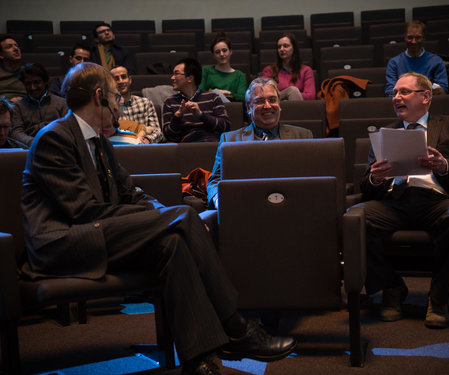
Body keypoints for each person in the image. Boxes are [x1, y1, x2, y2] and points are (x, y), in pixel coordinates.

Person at [21, 62, 296, 375]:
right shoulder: (53, 139)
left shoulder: (98, 141)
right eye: (115, 97)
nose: (118, 104)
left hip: (98, 232)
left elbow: (132, 193)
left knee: (173, 244)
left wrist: (162, 215)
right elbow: (83, 211)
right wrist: (166, 216)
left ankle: (198, 360)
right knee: (182, 217)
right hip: (62, 243)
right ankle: (236, 327)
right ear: (100, 96)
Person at [354, 72, 449, 329]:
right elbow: (366, 184)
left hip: (436, 200)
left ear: (425, 97)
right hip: (395, 200)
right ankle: (392, 288)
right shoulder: (385, 134)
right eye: (394, 93)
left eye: (403, 92)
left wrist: (443, 165)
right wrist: (377, 178)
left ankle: (439, 299)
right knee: (355, 218)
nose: (396, 97)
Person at [207, 77, 314, 209]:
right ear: (248, 108)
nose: (268, 106)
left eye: (272, 100)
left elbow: (313, 179)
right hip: (246, 206)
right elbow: (215, 180)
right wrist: (219, 200)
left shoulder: (303, 136)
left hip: (293, 207)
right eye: (259, 101)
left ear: (279, 106)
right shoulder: (229, 140)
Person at [163, 58, 230, 142]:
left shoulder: (213, 97)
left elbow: (225, 127)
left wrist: (201, 115)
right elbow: (169, 136)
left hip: (212, 145)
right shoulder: (170, 102)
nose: (172, 78)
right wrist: (177, 117)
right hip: (187, 148)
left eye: (176, 74)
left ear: (190, 78)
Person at [385, 20, 448, 96]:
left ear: (424, 38)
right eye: (410, 37)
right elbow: (390, 91)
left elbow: (442, 90)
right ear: (405, 37)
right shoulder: (394, 63)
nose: (413, 42)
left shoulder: (436, 61)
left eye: (418, 38)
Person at [11, 63, 68, 146]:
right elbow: (16, 133)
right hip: (28, 149)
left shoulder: (62, 103)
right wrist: (34, 142)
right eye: (28, 84)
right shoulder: (18, 106)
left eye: (37, 82)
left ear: (45, 82)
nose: (32, 87)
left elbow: (67, 130)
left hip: (57, 147)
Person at [110, 65, 166, 144]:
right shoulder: (109, 107)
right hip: (120, 148)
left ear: (130, 80)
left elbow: (157, 132)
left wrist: (148, 140)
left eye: (123, 77)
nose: (121, 81)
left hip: (143, 148)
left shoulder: (145, 103)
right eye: (116, 79)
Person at [261, 32, 315, 101]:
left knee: (293, 91)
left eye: (285, 46)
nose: (281, 49)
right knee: (292, 90)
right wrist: (288, 95)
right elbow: (266, 94)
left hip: (300, 106)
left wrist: (289, 98)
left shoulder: (306, 70)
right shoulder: (269, 70)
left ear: (294, 48)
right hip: (276, 106)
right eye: (279, 47)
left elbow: (310, 96)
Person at [199, 32, 247, 102]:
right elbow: (200, 92)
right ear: (213, 55)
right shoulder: (206, 70)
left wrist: (227, 93)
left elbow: (242, 97)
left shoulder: (239, 75)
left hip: (231, 108)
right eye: (217, 52)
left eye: (224, 50)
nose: (221, 54)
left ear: (230, 51)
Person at [0, 35, 26, 102]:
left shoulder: (29, 72)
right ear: (1, 55)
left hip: (27, 106)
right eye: (9, 47)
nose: (15, 49)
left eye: (16, 46)